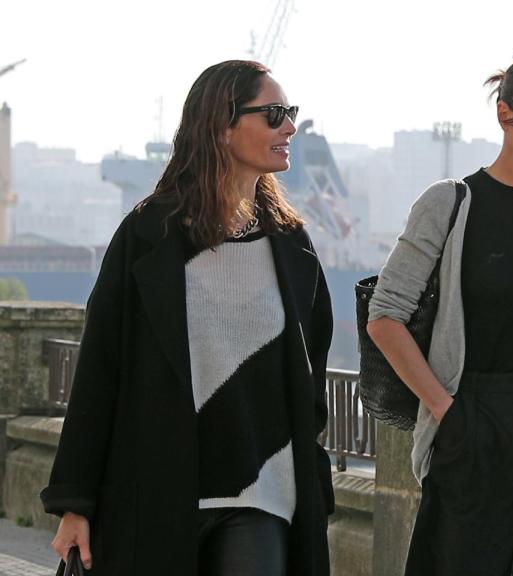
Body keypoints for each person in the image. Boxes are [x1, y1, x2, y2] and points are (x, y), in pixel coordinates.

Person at [41, 60, 334, 576]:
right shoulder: (147, 237)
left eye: (290, 113)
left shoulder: (293, 247)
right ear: (221, 126)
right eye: (274, 114)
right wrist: (74, 501)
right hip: (157, 490)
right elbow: (100, 371)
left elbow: (309, 385)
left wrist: (317, 486)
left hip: (262, 494)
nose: (290, 127)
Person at [366, 48, 513, 575]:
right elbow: (385, 316)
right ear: (505, 111)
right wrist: (448, 411)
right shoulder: (449, 203)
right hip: (476, 420)